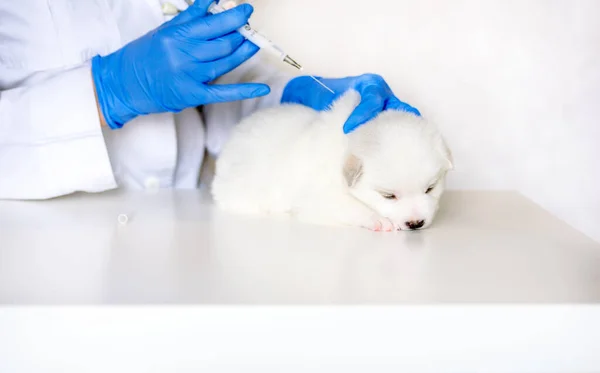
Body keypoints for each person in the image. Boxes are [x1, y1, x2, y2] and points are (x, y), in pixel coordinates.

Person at [0, 0, 420, 200]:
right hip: (40, 268)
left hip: (191, 234)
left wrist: (298, 106)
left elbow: (212, 89)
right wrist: (107, 90)